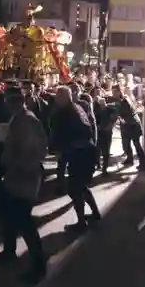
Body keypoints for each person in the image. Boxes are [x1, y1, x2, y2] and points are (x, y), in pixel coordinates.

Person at [0, 87, 48, 285]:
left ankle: (39, 266)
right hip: (15, 174)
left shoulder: (27, 121)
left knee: (25, 222)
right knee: (8, 214)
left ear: (15, 101)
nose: (5, 104)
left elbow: (34, 151)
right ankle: (9, 251)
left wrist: (17, 165)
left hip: (24, 176)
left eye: (8, 100)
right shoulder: (18, 118)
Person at [50, 86, 101, 232]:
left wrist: (59, 148)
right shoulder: (76, 108)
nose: (56, 99)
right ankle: (95, 213)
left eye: (58, 96)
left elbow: (64, 133)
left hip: (80, 153)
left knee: (75, 188)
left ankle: (81, 223)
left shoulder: (67, 112)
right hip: (85, 151)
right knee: (82, 186)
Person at [112, 84, 145, 171]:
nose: (114, 93)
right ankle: (129, 159)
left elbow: (124, 112)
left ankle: (143, 163)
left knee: (136, 144)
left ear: (120, 91)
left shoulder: (125, 100)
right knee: (126, 144)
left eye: (115, 91)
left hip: (132, 124)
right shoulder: (119, 100)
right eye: (113, 91)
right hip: (127, 125)